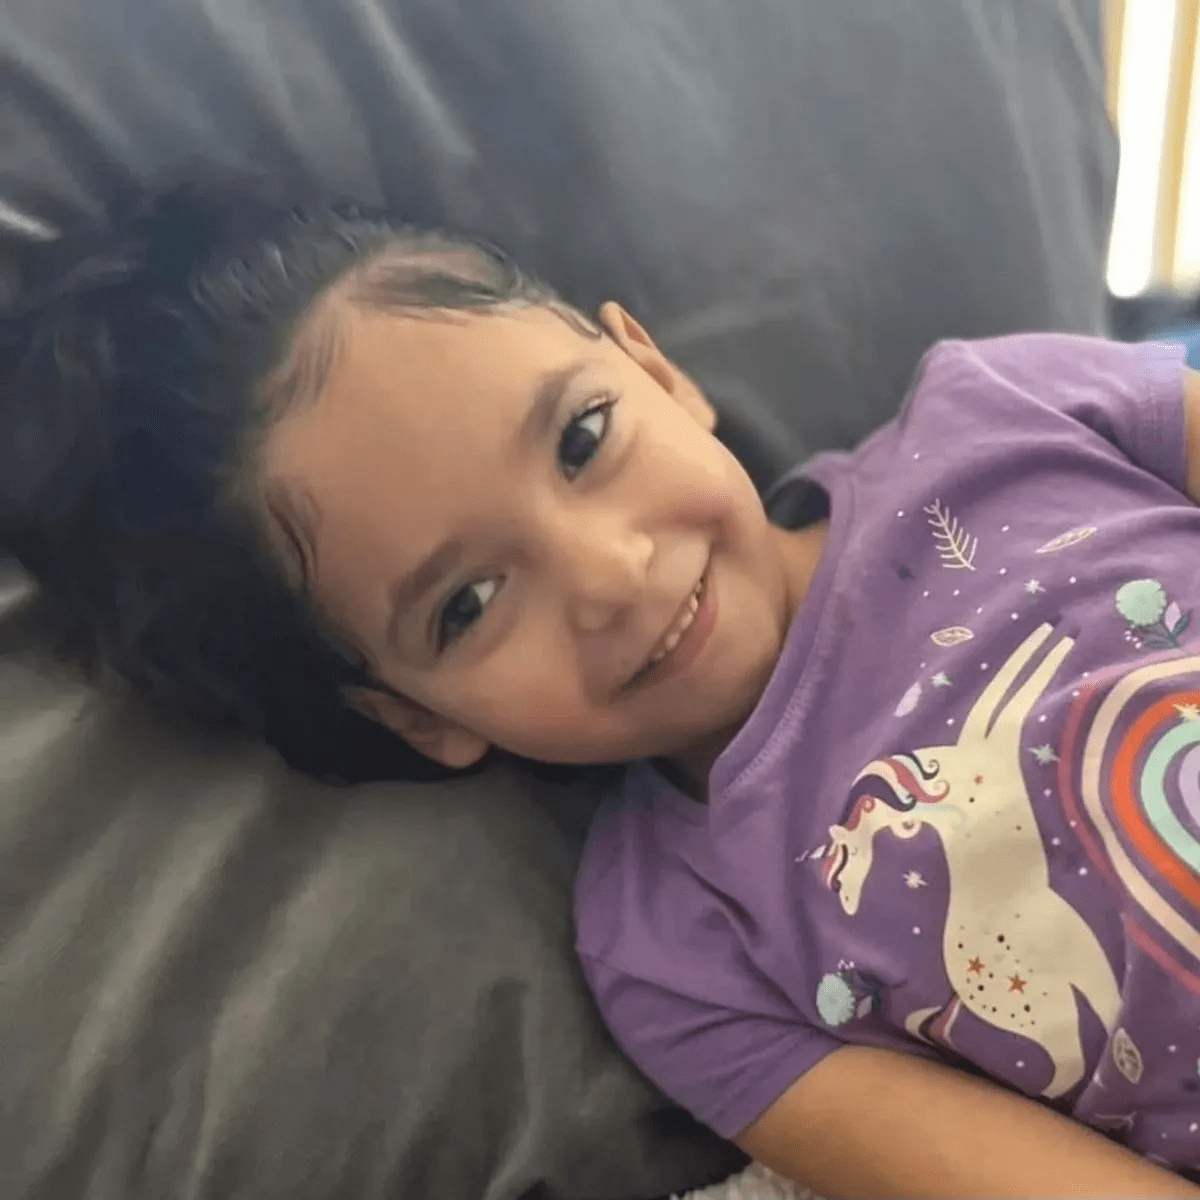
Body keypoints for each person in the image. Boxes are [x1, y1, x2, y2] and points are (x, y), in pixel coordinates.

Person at [4, 182, 1200, 1198]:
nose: (611, 576)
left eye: (582, 439)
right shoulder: (678, 955)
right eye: (468, 603)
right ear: (412, 716)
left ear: (656, 371)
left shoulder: (1003, 414)